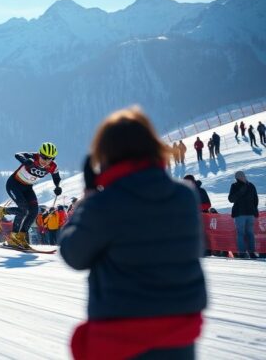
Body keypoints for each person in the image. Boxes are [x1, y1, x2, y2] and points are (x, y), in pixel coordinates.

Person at [59, 107, 207, 360]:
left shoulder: (105, 203)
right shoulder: (184, 195)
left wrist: (88, 201)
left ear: (106, 153)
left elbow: (74, 254)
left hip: (122, 333)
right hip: (180, 331)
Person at [2, 143, 63, 250]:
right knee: (24, 209)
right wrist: (25, 160)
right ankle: (5, 215)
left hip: (27, 188)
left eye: (50, 158)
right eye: (44, 157)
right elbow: (17, 154)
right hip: (14, 184)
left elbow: (56, 177)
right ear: (40, 154)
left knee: (34, 211)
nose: (46, 161)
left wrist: (57, 186)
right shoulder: (33, 157)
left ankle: (21, 237)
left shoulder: (53, 166)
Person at [228, 171, 259, 258]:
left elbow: (231, 199)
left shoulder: (236, 186)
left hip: (242, 214)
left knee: (243, 233)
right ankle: (248, 253)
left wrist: (255, 209)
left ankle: (244, 253)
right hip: (246, 213)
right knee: (248, 233)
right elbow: (255, 199)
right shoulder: (250, 185)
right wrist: (255, 210)